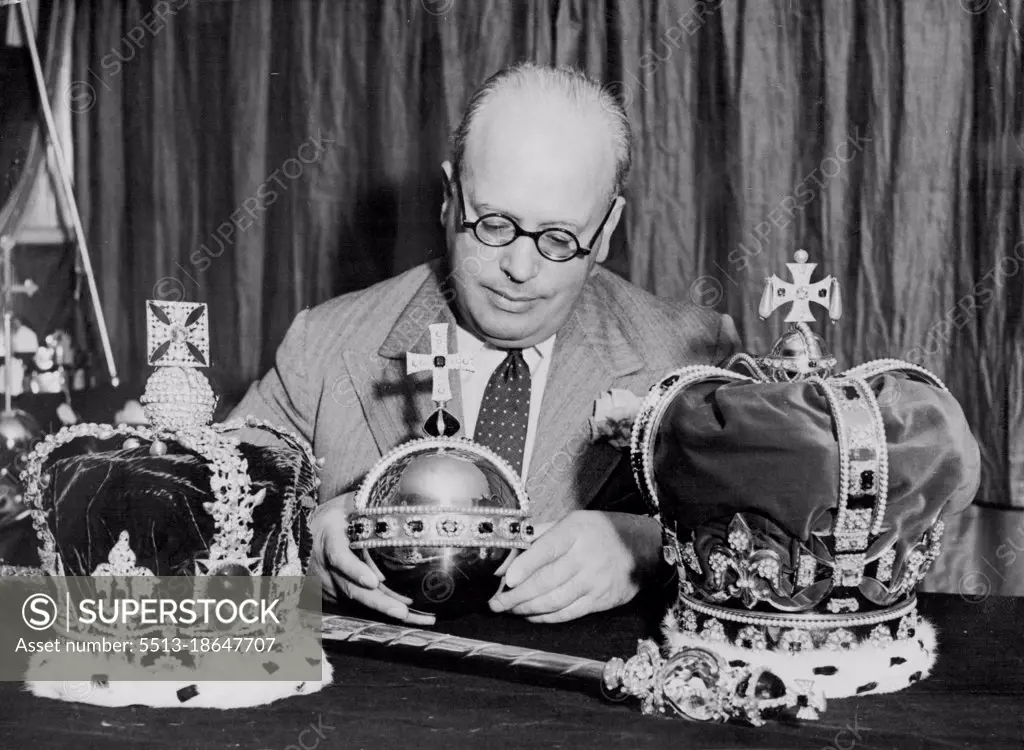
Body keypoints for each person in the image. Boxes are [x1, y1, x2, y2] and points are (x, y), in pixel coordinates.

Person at [229, 62, 738, 626]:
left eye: (559, 238)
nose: (518, 269)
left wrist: (650, 547)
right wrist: (298, 545)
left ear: (608, 229)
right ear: (449, 199)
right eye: (494, 224)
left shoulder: (693, 357)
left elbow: (784, 549)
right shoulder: (322, 349)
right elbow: (194, 552)